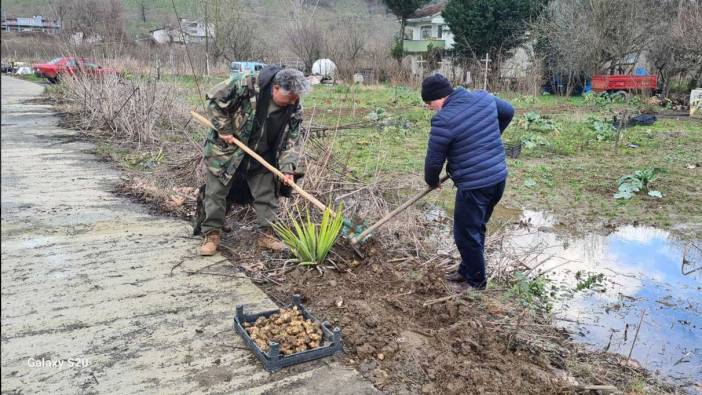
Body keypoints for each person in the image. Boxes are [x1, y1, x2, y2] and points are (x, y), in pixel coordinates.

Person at [194, 65, 310, 256]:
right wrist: (224, 129)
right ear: (275, 88)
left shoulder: (294, 108)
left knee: (267, 195)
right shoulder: (246, 84)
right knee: (216, 193)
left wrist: (288, 168)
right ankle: (212, 234)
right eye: (289, 97)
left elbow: (292, 141)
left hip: (262, 155)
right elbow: (214, 100)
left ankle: (267, 235)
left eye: (295, 98)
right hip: (227, 151)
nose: (292, 102)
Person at [421, 74, 514, 290]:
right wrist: (490, 138)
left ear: (438, 98)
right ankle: (467, 270)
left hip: (475, 185)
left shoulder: (443, 120)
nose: (429, 108)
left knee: (464, 234)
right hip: (498, 178)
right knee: (476, 227)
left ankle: (476, 283)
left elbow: (433, 162)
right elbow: (508, 111)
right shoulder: (483, 98)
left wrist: (432, 181)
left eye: (429, 103)